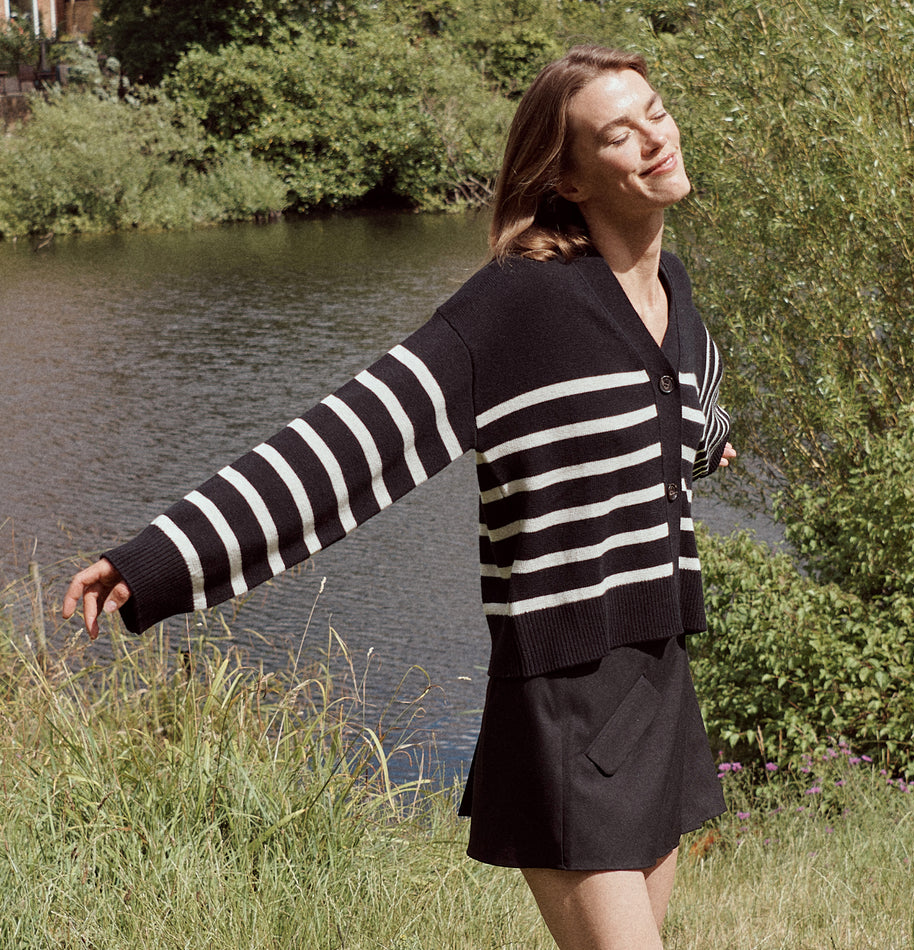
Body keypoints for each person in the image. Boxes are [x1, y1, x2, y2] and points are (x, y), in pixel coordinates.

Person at [63, 45, 736, 950]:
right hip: (567, 698)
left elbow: (679, 416)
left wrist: (706, 444)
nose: (656, 137)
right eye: (620, 133)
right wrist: (158, 559)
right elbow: (347, 443)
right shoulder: (516, 307)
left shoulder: (672, 292)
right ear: (568, 178)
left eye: (654, 110)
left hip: (658, 673)